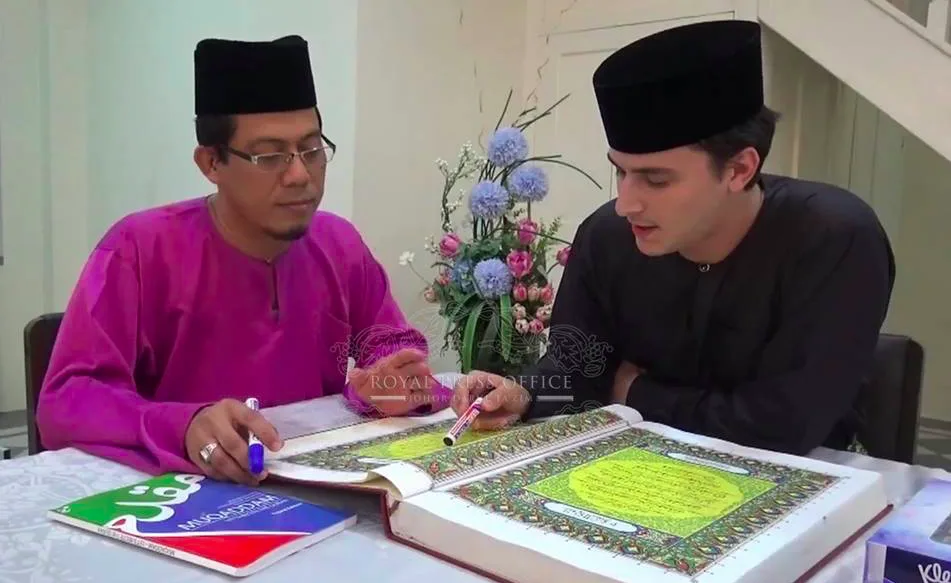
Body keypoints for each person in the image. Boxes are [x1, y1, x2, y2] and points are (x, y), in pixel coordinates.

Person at [451, 20, 895, 457]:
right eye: (621, 172)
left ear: (740, 169)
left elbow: (783, 425)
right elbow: (579, 368)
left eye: (656, 180)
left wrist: (635, 391)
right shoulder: (608, 235)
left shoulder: (834, 238)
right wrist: (524, 392)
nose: (626, 204)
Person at [37, 35, 450, 483]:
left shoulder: (338, 243)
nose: (300, 175)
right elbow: (67, 401)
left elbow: (388, 344)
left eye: (312, 150)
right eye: (269, 156)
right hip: (185, 496)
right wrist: (183, 424)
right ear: (211, 163)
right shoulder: (139, 250)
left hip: (320, 487)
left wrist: (390, 381)